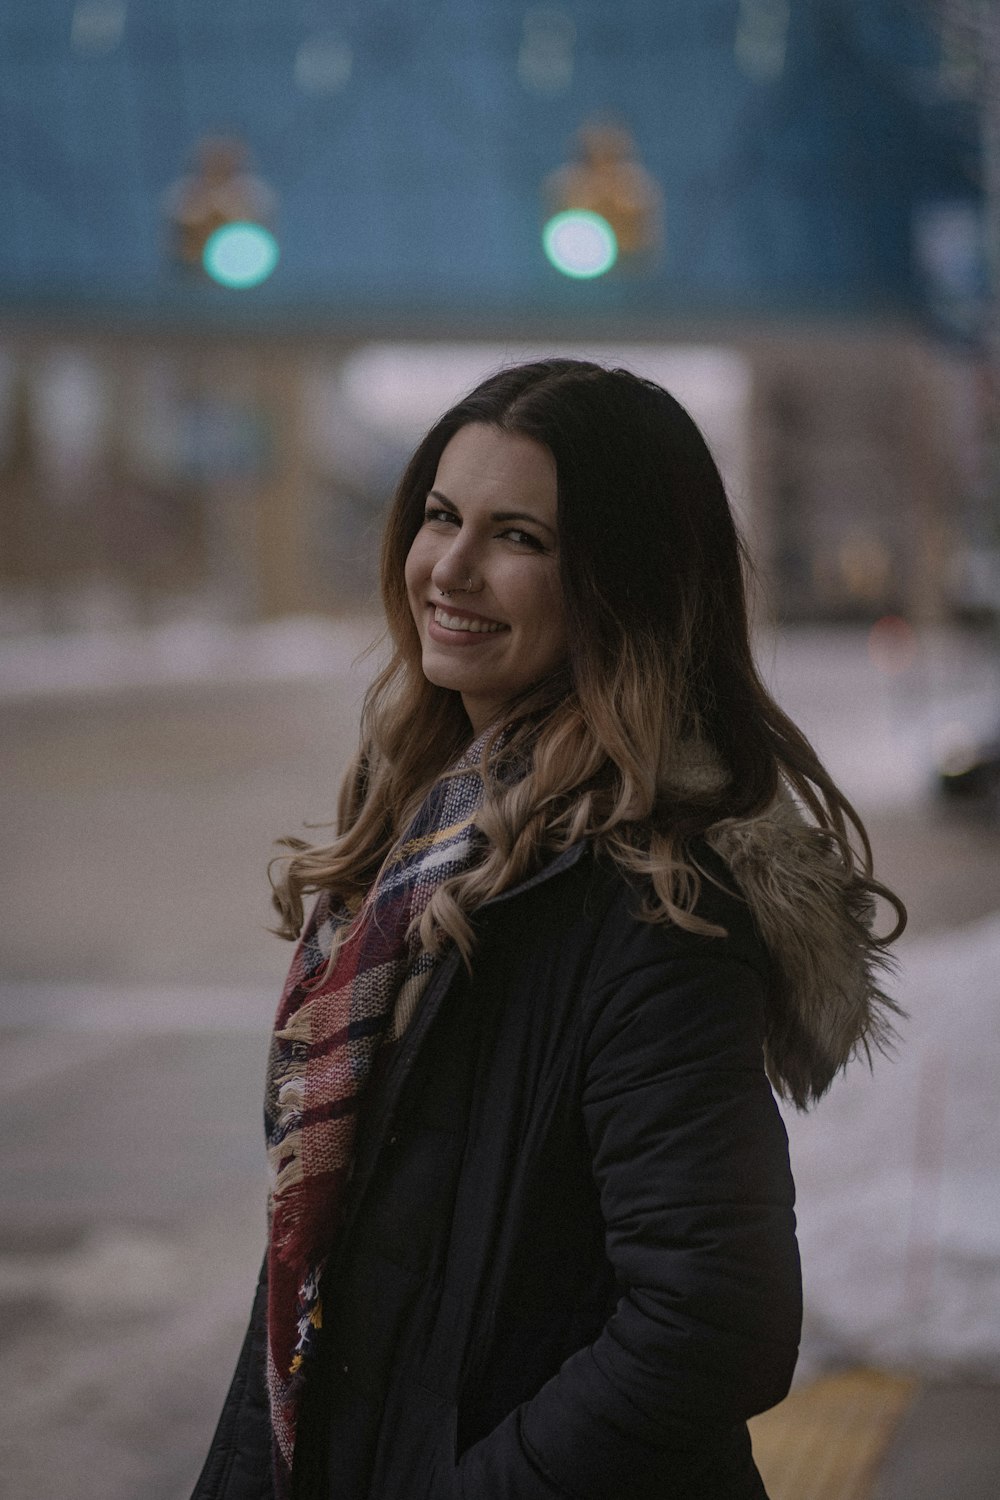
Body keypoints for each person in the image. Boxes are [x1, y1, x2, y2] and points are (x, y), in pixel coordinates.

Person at [191, 359, 905, 1500]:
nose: (452, 569)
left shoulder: (648, 901)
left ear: (620, 585)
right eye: (440, 516)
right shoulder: (428, 846)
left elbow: (713, 1320)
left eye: (516, 536)